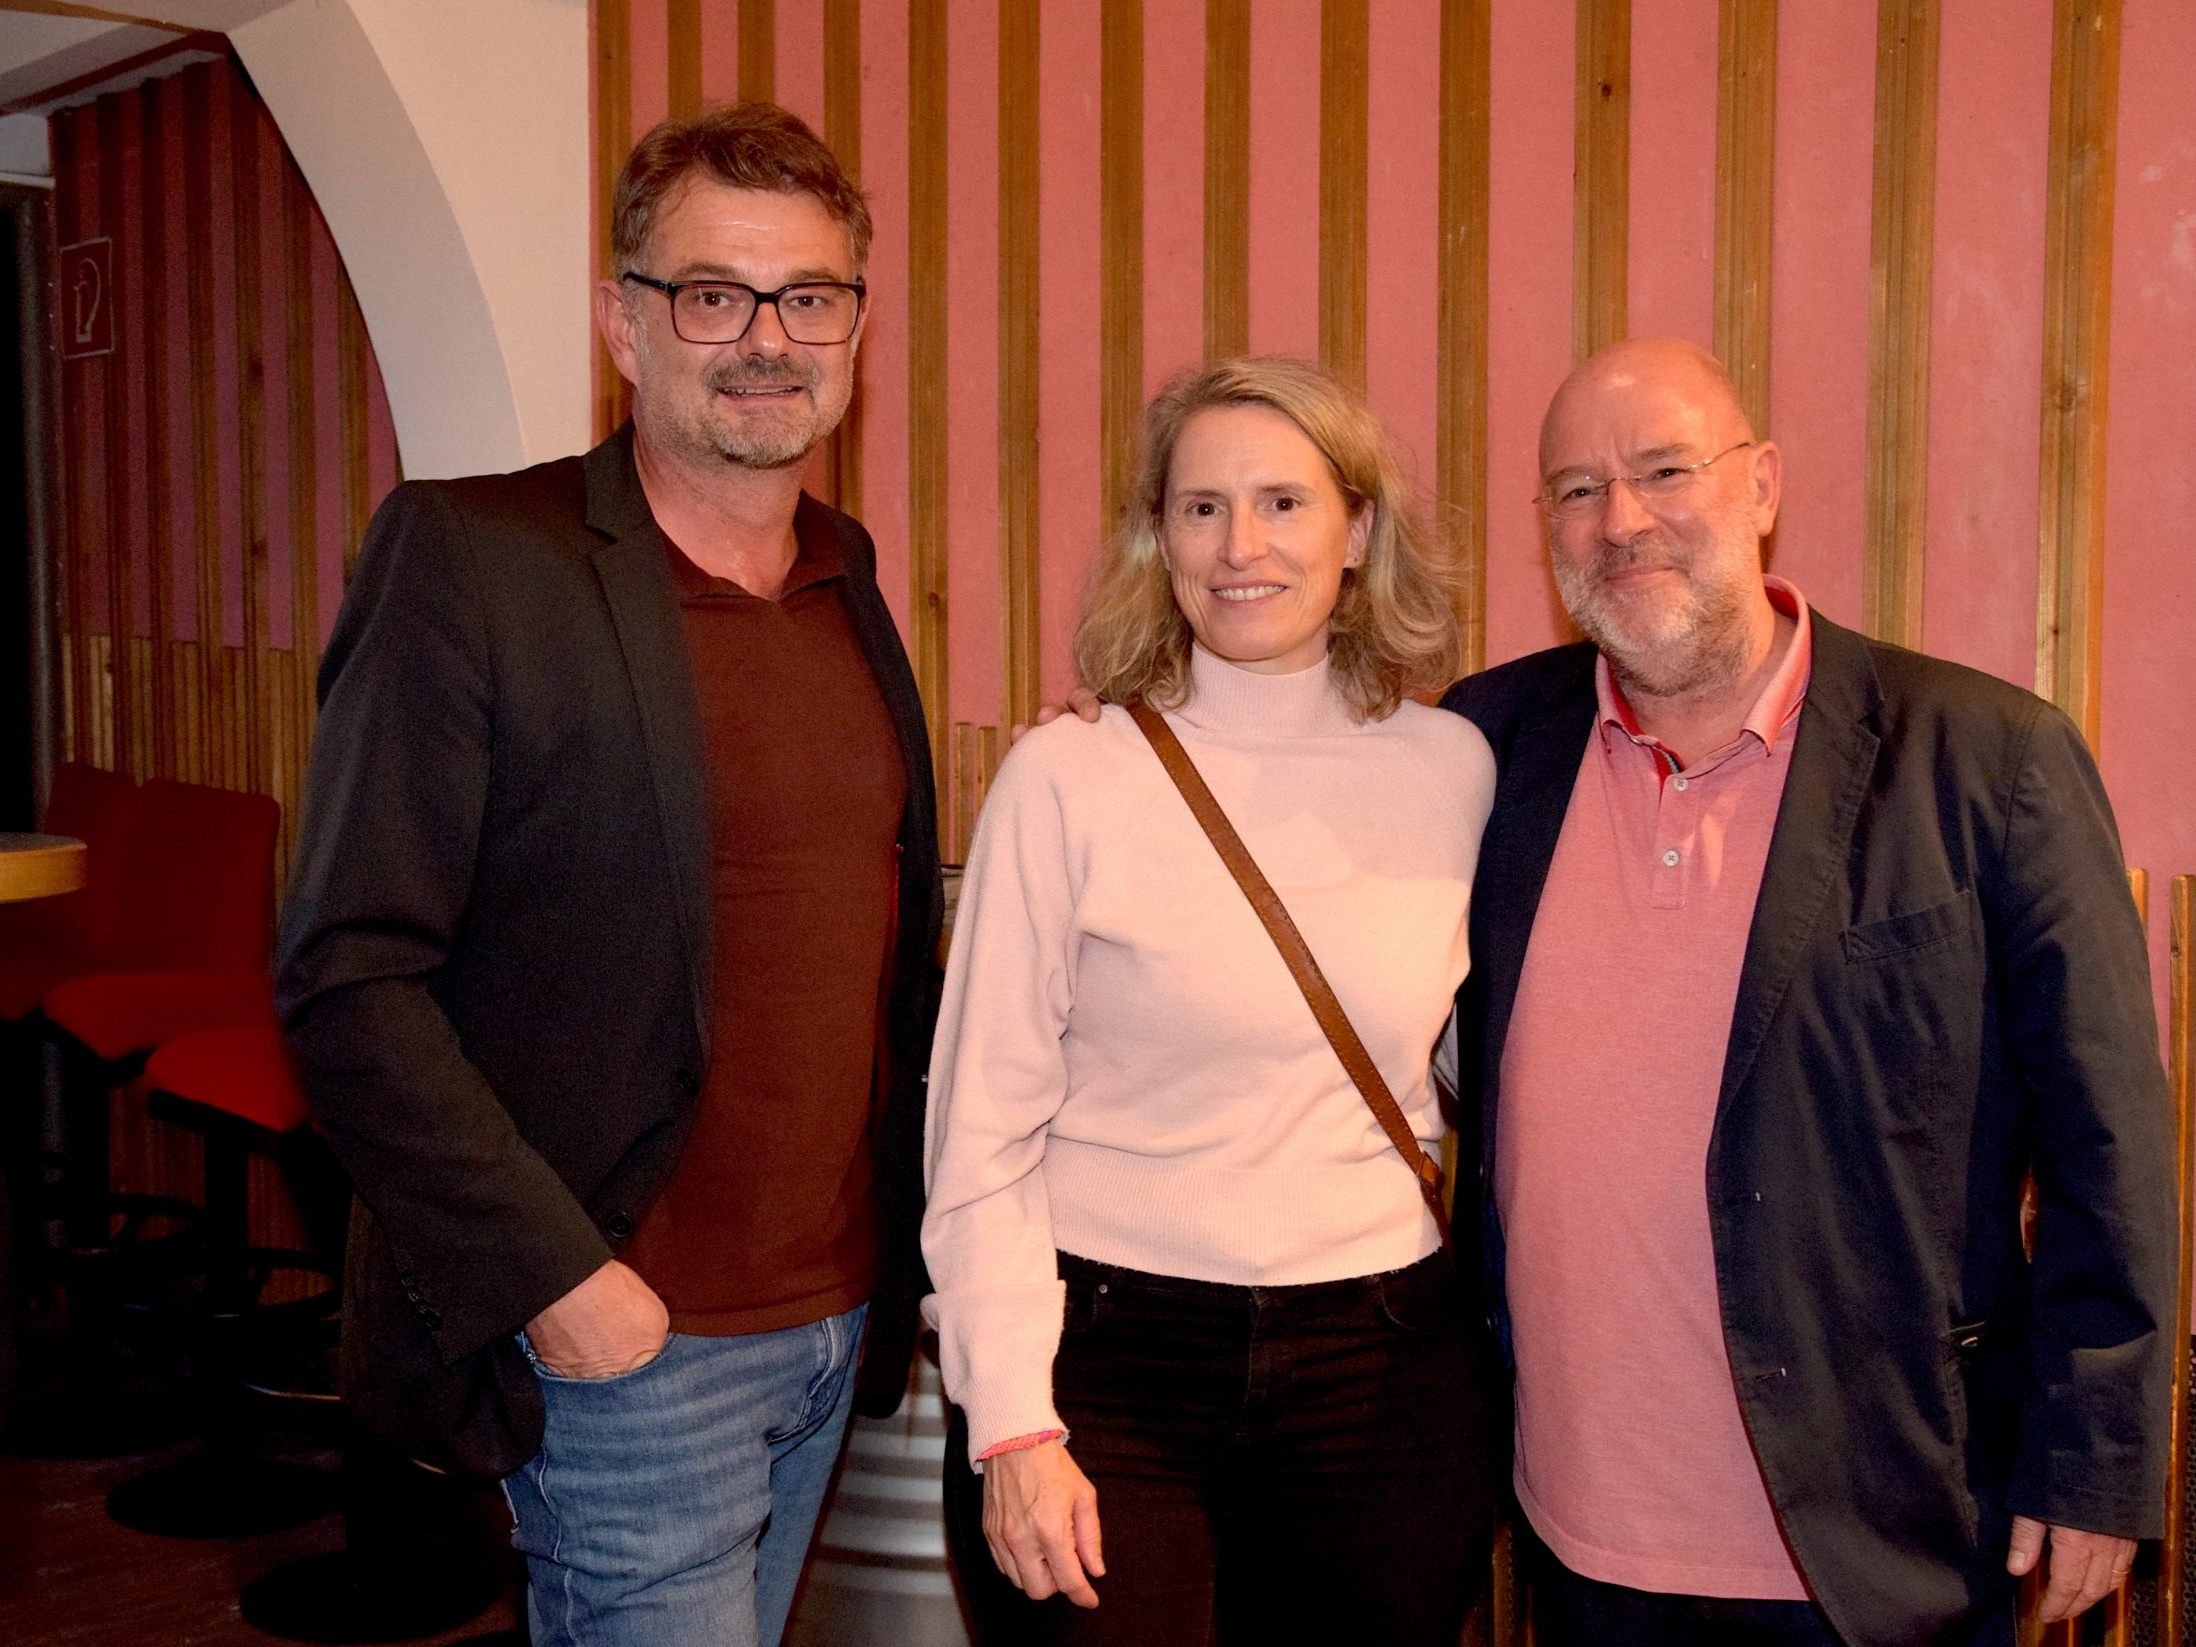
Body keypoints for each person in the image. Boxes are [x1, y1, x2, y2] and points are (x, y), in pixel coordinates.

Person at [273, 103, 941, 1647]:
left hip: (837, 1324)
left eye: (811, 298)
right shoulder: (474, 561)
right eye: (713, 295)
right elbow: (347, 976)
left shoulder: (848, 579)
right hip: (631, 1342)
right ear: (625, 323)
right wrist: (559, 1281)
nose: (766, 340)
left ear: (856, 324)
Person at [1443, 336, 2175, 1646]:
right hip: (1576, 1538)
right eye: (1575, 489)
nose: (1621, 522)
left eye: (1667, 470)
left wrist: (2097, 1464)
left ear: (1763, 484)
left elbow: (2105, 1143)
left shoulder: (1988, 764)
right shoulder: (1489, 748)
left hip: (1878, 1546)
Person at [923, 356, 1508, 1646]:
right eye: (1201, 508)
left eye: (1285, 504)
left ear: (1358, 532)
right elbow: (979, 1133)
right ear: (1159, 538)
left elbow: (1486, 1060)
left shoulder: (1453, 769)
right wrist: (1012, 1417)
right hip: (1112, 1365)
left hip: (1383, 1362)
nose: (1242, 545)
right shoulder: (1067, 778)